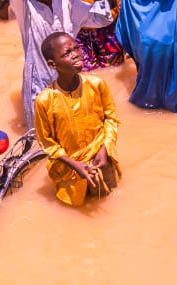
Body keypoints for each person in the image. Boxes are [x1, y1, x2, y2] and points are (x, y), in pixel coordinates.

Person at [12, 0, 113, 126]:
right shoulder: (24, 6)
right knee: (42, 140)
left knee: (75, 132)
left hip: (69, 80)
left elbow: (102, 18)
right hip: (38, 85)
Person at [33, 32, 120, 206]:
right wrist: (74, 164)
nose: (76, 55)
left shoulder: (97, 85)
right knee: (73, 208)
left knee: (107, 201)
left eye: (76, 49)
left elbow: (111, 120)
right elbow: (46, 142)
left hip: (100, 160)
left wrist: (104, 149)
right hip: (68, 169)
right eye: (66, 53)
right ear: (52, 64)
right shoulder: (44, 100)